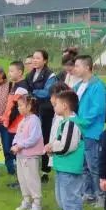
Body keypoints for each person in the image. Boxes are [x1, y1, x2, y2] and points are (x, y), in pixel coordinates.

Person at [47, 90, 86, 210]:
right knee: (62, 195)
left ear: (64, 106)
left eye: (55, 104)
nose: (54, 107)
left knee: (70, 195)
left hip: (70, 166)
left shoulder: (71, 123)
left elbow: (67, 146)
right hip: (63, 165)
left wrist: (52, 148)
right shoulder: (65, 122)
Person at [73, 55, 106, 206]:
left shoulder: (97, 85)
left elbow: (97, 109)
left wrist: (81, 122)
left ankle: (102, 196)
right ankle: (89, 193)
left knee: (94, 165)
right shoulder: (79, 85)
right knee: (84, 165)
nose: (75, 69)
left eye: (78, 66)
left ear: (87, 67)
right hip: (80, 131)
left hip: (92, 131)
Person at [26, 50, 58, 179]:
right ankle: (32, 168)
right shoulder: (30, 75)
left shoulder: (50, 75)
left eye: (38, 58)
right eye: (33, 58)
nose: (35, 60)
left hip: (46, 112)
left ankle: (45, 171)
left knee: (45, 138)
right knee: (32, 137)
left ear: (45, 60)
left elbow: (47, 92)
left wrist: (33, 92)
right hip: (33, 110)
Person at [11, 95, 45, 210]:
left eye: (21, 105)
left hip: (30, 155)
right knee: (22, 179)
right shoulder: (23, 120)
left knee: (32, 178)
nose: (18, 108)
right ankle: (26, 200)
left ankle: (37, 203)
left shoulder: (34, 120)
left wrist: (21, 145)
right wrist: (14, 144)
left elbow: (34, 138)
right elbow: (17, 135)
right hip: (20, 155)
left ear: (29, 106)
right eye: (18, 105)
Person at [1, 61, 29, 185]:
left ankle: (22, 180)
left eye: (12, 71)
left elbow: (16, 109)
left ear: (20, 72)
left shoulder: (22, 87)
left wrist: (8, 122)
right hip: (11, 126)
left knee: (18, 153)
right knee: (13, 152)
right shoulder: (15, 85)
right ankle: (19, 179)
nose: (9, 73)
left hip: (16, 126)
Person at [47, 82, 72, 210]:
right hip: (56, 155)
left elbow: (64, 140)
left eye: (53, 97)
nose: (50, 100)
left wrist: (54, 147)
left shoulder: (68, 118)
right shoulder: (57, 115)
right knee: (59, 184)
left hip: (63, 157)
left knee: (66, 186)